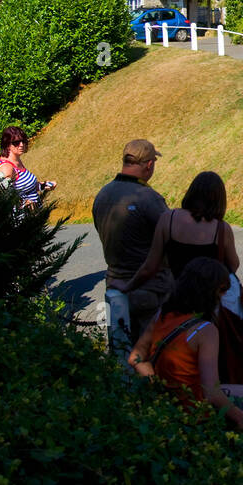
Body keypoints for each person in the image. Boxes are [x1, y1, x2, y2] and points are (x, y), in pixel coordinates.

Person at [113, 171, 243, 384]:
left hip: (180, 297)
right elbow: (233, 265)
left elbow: (150, 266)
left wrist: (127, 286)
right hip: (214, 301)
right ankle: (226, 398)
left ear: (191, 192)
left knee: (179, 350)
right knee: (222, 354)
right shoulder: (221, 229)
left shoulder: (168, 220)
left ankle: (177, 393)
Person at [128, 256, 243, 435]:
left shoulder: (162, 314)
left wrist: (159, 385)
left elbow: (135, 358)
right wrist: (240, 417)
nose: (223, 296)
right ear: (212, 293)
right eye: (223, 290)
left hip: (170, 401)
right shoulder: (205, 330)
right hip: (196, 410)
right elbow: (211, 392)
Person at [92, 140, 169, 355]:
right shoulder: (149, 198)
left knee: (121, 350)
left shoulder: (103, 195)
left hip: (115, 283)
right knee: (153, 355)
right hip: (150, 288)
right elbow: (171, 239)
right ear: (149, 165)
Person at [0, 126, 54, 207]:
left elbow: (27, 188)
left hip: (34, 215)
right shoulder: (7, 168)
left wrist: (45, 185)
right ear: (7, 144)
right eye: (16, 142)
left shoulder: (16, 161)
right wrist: (24, 205)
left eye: (23, 141)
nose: (21, 145)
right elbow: (2, 199)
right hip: (21, 218)